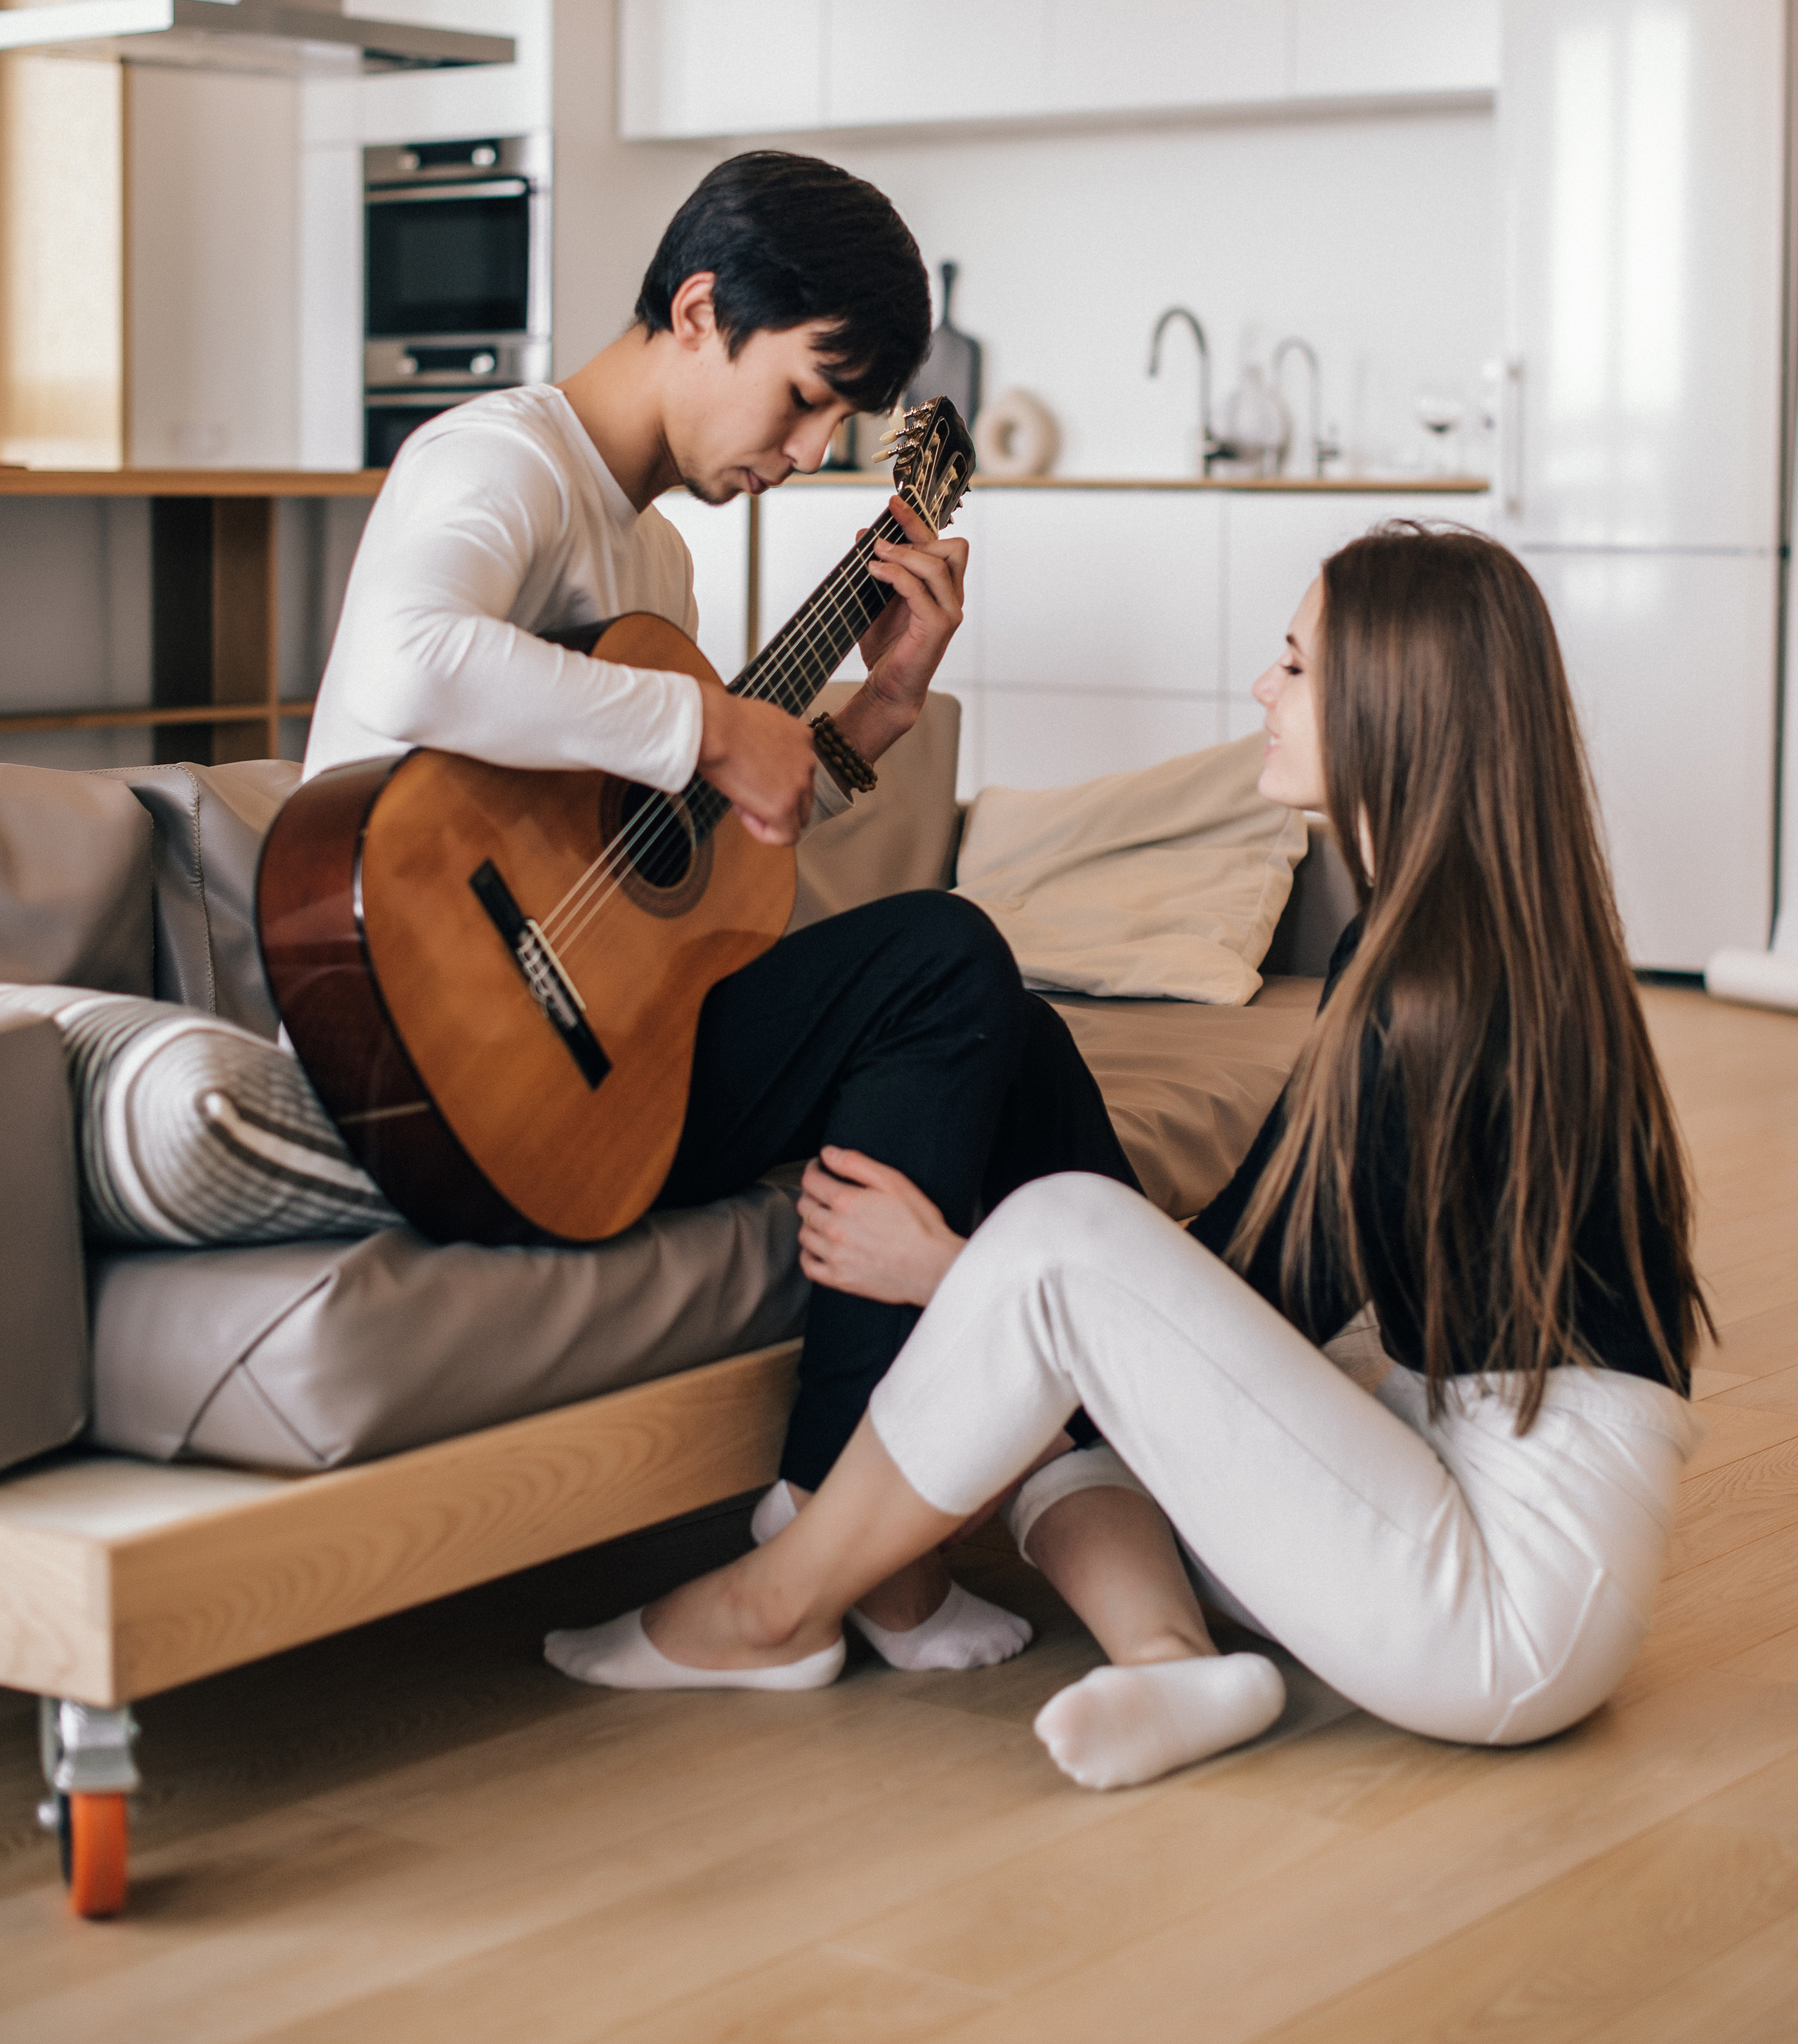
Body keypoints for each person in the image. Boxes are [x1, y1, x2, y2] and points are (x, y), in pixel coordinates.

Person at [546, 525, 1711, 1794]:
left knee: (1060, 1240)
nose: (1263, 691)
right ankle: (1165, 1657)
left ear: (1397, 704)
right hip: (1438, 1507)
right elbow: (1244, 1262)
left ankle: (774, 1605)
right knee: (1029, 1059)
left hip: (1504, 1610)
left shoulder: (1436, 997)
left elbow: (1255, 1296)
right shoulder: (1441, 941)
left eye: (1296, 666)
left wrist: (956, 1268)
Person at [307, 148, 1138, 1672]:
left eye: (841, 422)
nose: (813, 450)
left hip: (591, 1050)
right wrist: (702, 728)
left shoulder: (650, 560)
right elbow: (410, 664)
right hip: (437, 1052)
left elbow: (667, 862)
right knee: (944, 952)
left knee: (1005, 1035)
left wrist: (872, 714)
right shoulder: (494, 460)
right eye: (808, 395)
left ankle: (1101, 1463)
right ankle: (830, 1526)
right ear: (699, 310)